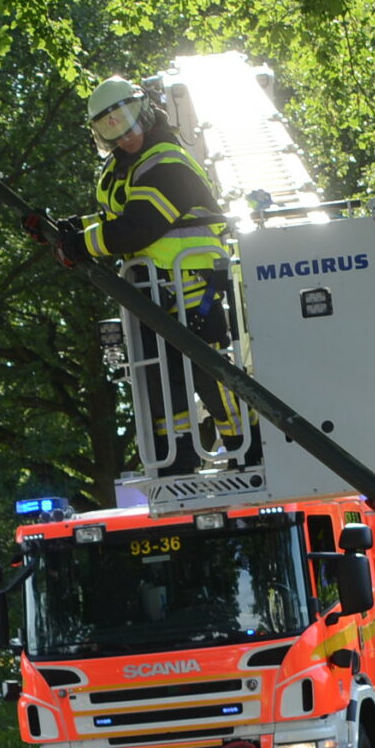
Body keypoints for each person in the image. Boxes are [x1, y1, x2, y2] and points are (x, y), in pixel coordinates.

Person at [78, 76, 240, 471]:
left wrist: (79, 243)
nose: (125, 137)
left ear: (145, 110)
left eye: (128, 123)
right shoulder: (117, 170)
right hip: (149, 289)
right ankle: (178, 457)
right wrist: (68, 232)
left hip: (191, 287)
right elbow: (111, 222)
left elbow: (138, 227)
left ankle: (245, 449)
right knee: (159, 381)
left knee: (210, 374)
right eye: (111, 130)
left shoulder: (166, 161)